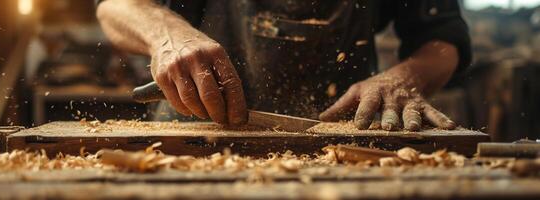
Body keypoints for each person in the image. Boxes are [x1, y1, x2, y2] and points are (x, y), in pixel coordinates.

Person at [96, 0, 471, 131]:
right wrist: (168, 35)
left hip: (345, 142)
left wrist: (405, 77)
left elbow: (442, 37)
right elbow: (114, 5)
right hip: (198, 133)